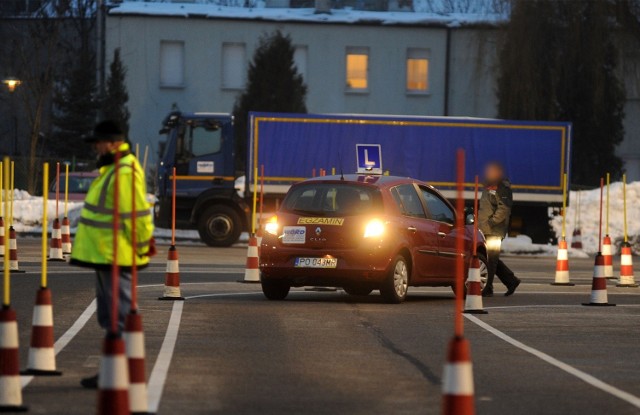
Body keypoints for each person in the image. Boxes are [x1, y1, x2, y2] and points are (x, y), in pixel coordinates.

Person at [70, 120, 156, 389]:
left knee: (119, 315)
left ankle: (121, 373)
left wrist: (143, 244)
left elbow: (136, 214)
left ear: (114, 142)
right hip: (106, 254)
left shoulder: (125, 171)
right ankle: (113, 369)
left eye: (99, 141)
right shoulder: (115, 168)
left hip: (117, 253)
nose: (96, 147)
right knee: (110, 316)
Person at [478, 162, 521, 297]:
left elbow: (504, 208)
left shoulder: (502, 187)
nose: (489, 173)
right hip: (485, 229)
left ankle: (488, 288)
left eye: (492, 171)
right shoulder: (488, 185)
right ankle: (511, 281)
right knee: (491, 258)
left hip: (494, 231)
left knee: (490, 260)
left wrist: (491, 222)